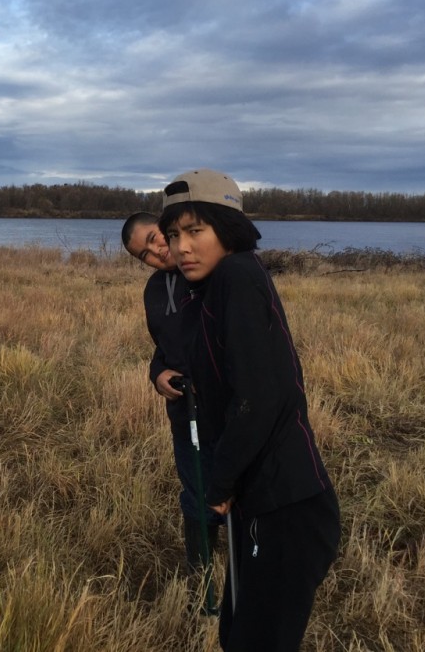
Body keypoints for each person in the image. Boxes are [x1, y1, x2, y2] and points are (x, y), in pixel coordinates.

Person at [157, 170, 340, 651]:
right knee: (238, 634)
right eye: (174, 235)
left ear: (227, 228)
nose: (181, 247)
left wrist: (219, 484)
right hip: (258, 502)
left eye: (196, 231)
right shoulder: (208, 290)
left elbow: (260, 396)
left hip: (285, 506)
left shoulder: (237, 276)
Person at [121, 212, 222, 579]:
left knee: (241, 492)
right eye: (143, 254)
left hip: (227, 411)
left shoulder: (213, 273)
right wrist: (157, 373)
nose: (157, 252)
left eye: (154, 238)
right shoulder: (152, 291)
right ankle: (201, 574)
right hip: (185, 413)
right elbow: (163, 348)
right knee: (197, 493)